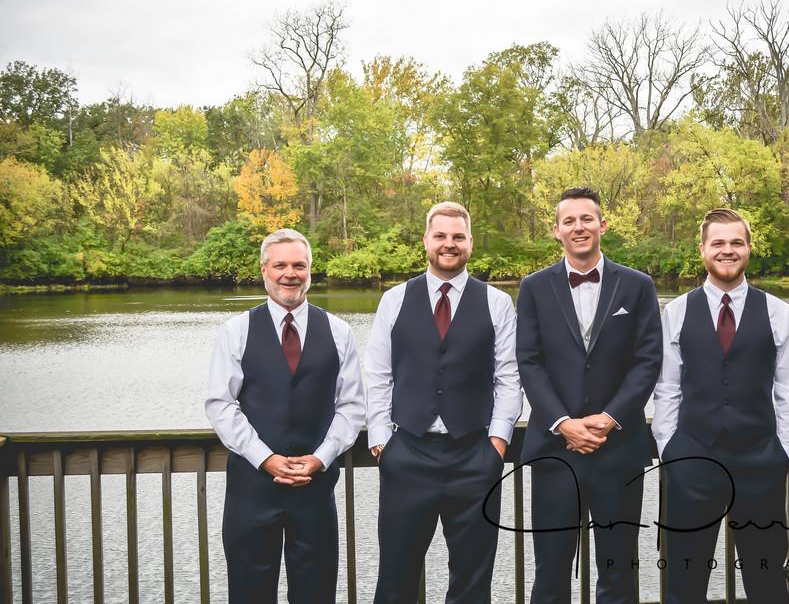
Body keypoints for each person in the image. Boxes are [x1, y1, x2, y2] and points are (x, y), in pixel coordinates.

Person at [365, 201, 523, 604]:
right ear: (426, 241)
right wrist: (383, 442)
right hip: (408, 453)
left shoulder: (497, 303)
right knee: (396, 577)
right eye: (441, 236)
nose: (448, 244)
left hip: (474, 456)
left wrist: (498, 443)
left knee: (472, 580)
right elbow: (378, 375)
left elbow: (509, 378)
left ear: (470, 243)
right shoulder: (394, 299)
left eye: (458, 237)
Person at [652, 208, 789, 603]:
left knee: (767, 578)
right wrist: (670, 450)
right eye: (718, 243)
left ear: (749, 248)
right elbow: (666, 387)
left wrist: (784, 451)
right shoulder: (675, 312)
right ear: (703, 249)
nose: (728, 250)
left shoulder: (778, 312)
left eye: (736, 242)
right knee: (684, 581)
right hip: (691, 460)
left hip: (760, 461)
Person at [517, 186, 663, 604]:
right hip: (553, 451)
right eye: (569, 221)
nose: (578, 227)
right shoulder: (534, 287)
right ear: (556, 230)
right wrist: (563, 422)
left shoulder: (637, 286)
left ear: (602, 224)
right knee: (550, 570)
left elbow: (648, 360)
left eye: (586, 219)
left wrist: (611, 417)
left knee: (618, 570)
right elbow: (529, 362)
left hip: (619, 450)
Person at [205, 228, 364, 604]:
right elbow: (221, 404)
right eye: (280, 265)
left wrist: (321, 458)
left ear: (310, 270)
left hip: (316, 490)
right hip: (251, 491)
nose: (289, 273)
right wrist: (266, 459)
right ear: (264, 270)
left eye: (299, 265)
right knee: (249, 594)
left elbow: (352, 406)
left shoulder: (339, 332)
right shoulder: (236, 330)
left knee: (316, 594)